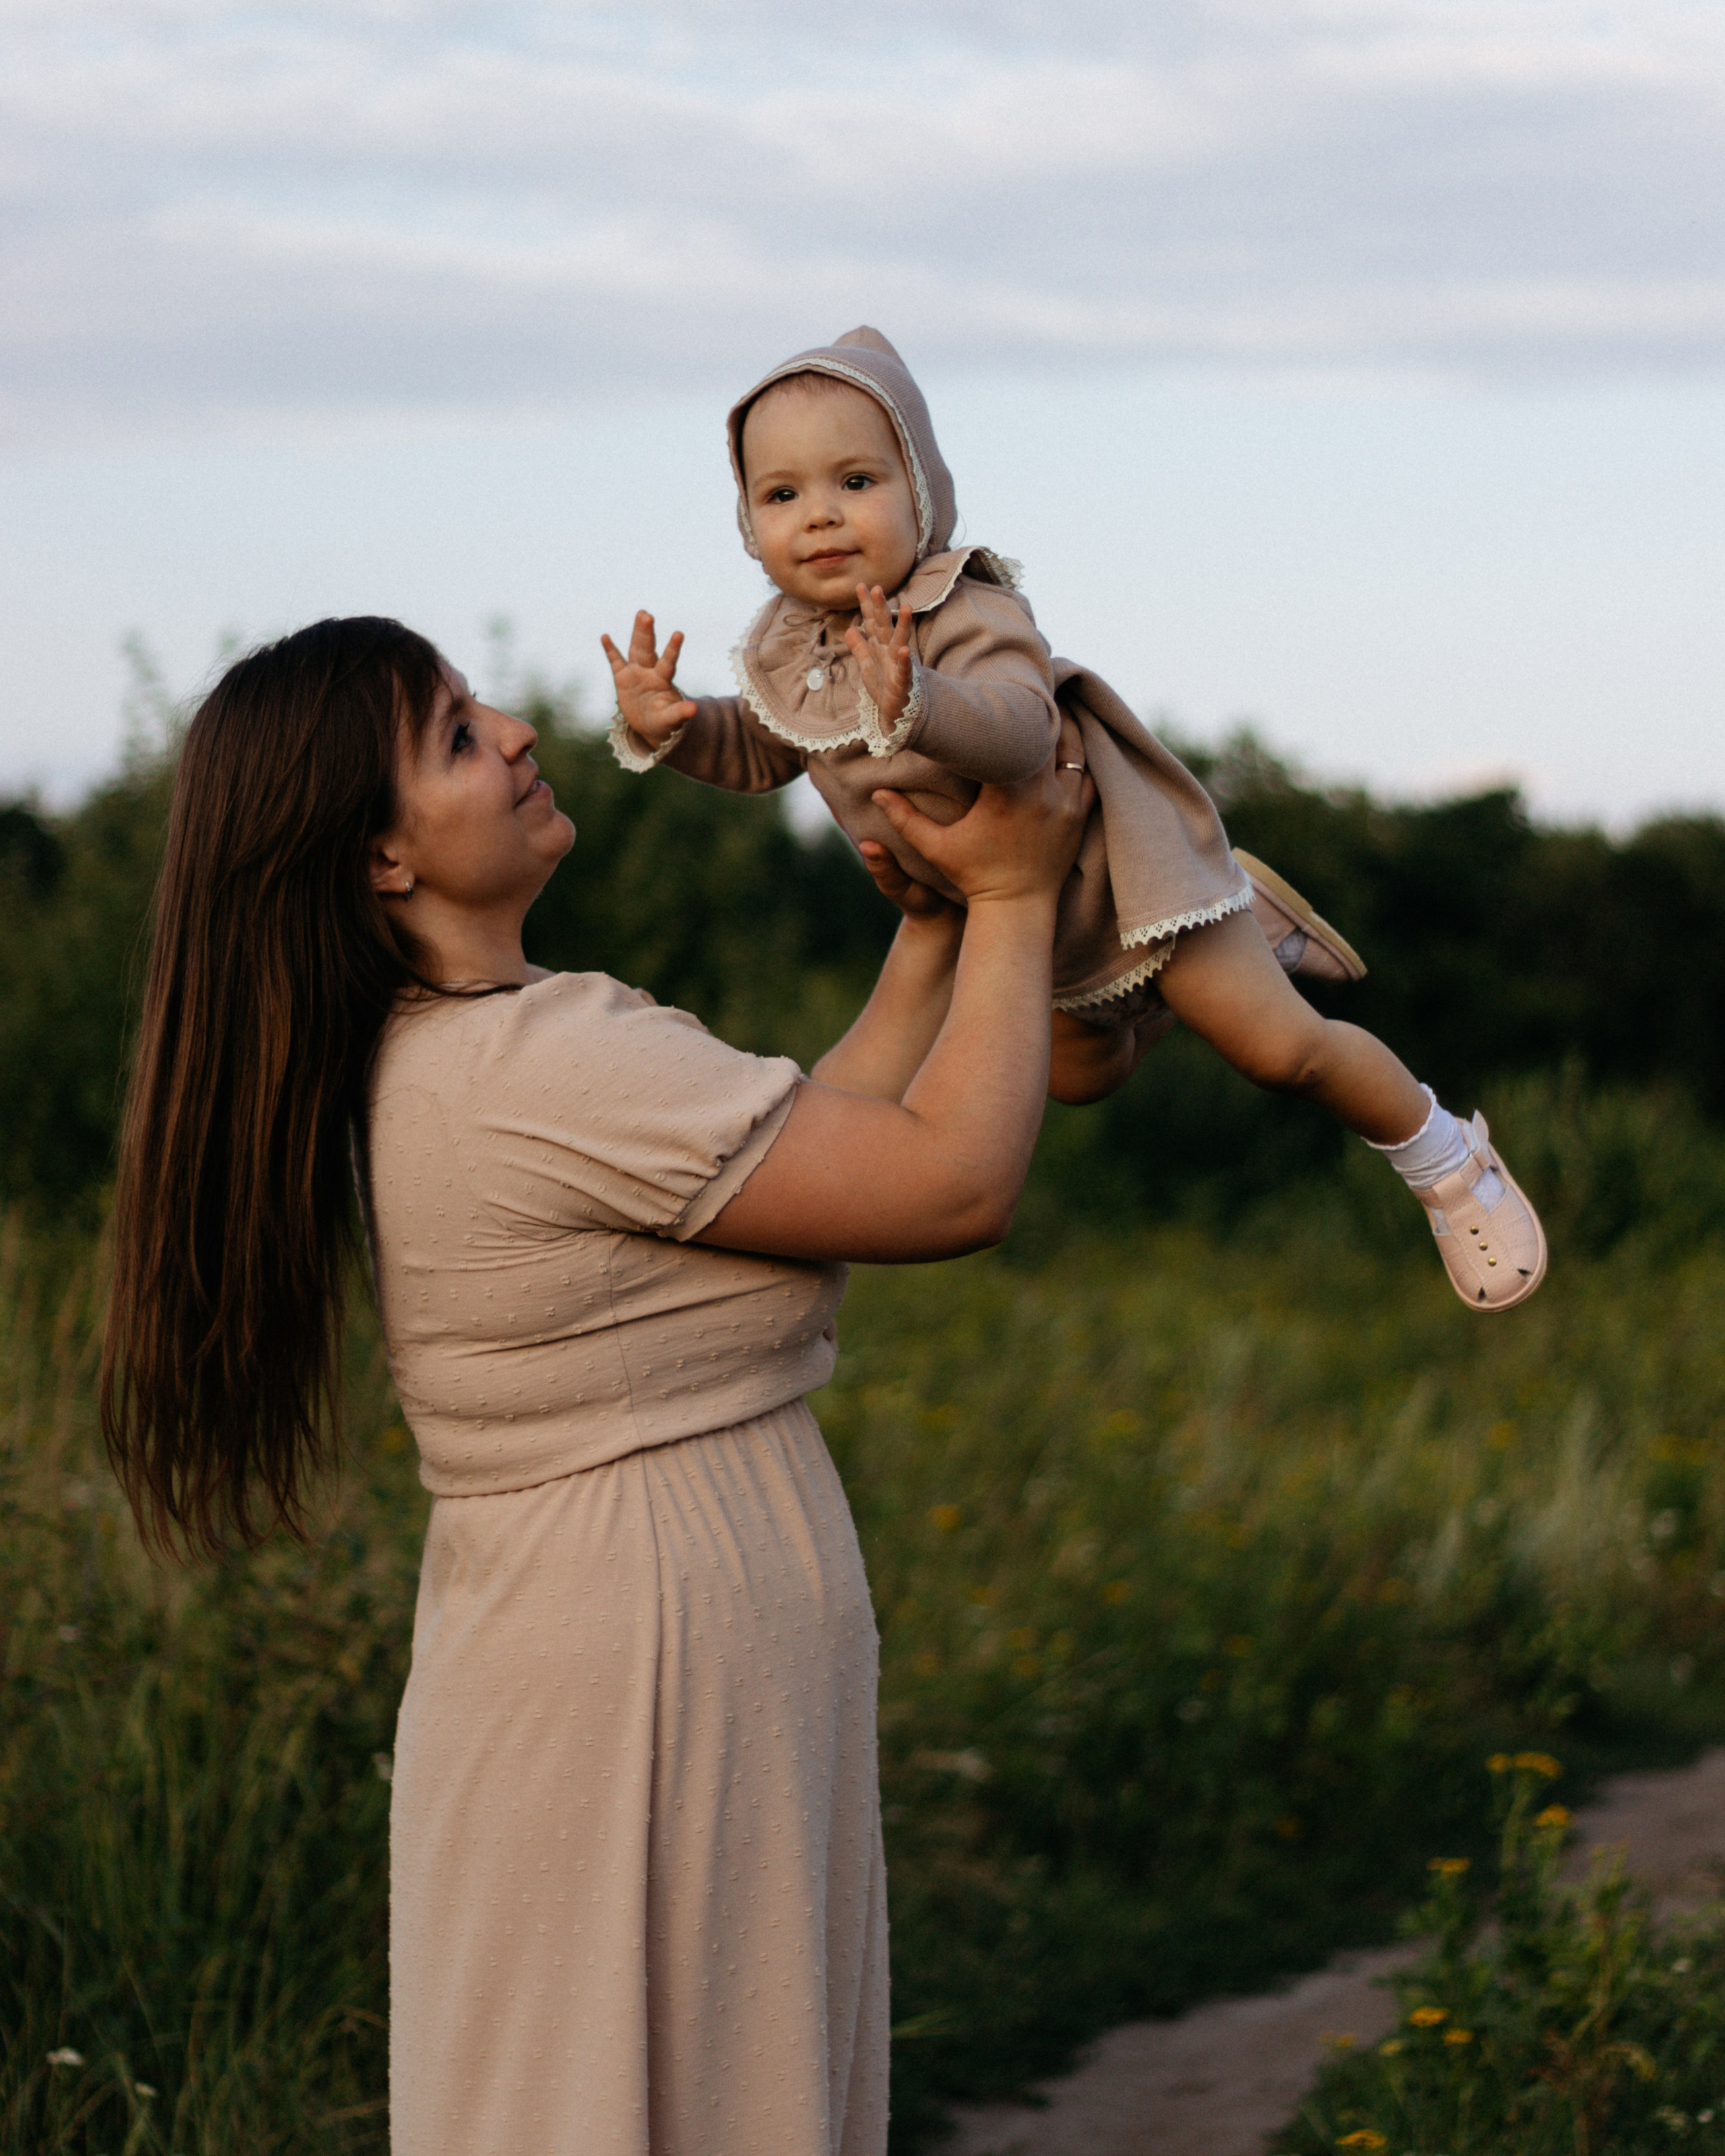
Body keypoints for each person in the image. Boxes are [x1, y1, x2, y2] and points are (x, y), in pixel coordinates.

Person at [99, 613, 1093, 2156]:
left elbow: (793, 1146)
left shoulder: (481, 1048)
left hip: (619, 1653)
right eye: (449, 734)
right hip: (631, 1677)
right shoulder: (537, 1063)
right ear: (379, 857)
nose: (512, 730)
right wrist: (1021, 892)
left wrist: (935, 930)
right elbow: (948, 1186)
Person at [602, 326, 1547, 1314]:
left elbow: (1019, 729)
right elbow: (767, 751)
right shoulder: (787, 652)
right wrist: (677, 730)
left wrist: (920, 699)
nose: (823, 517)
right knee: (1080, 1079)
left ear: (920, 489)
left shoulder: (962, 609)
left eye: (857, 481)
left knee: (1280, 1053)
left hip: (1127, 883)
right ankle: (1192, 976)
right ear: (749, 526)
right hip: (1017, 925)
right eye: (783, 496)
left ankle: (1444, 1158)